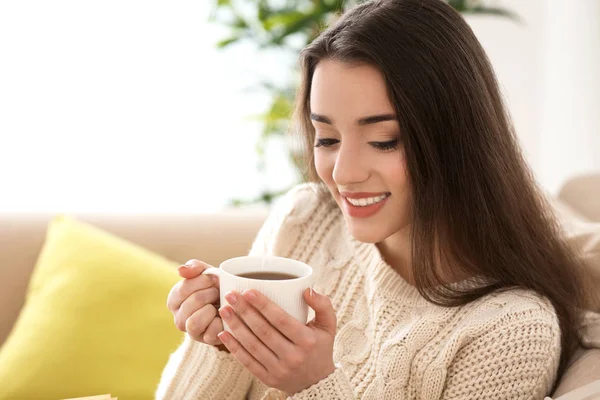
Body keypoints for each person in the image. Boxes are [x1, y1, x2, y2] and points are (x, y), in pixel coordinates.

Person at [155, 0, 592, 398]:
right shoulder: (305, 219)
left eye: (384, 141)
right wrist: (223, 341)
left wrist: (314, 386)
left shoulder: (511, 330)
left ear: (457, 140)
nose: (343, 174)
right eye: (326, 138)